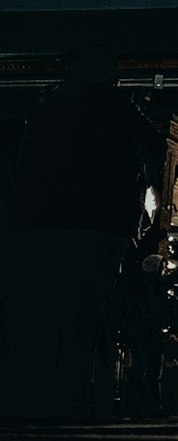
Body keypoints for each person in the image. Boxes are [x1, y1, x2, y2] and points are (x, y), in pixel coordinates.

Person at [0, 46, 163, 418]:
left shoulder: (49, 105)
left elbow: (23, 165)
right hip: (101, 224)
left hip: (44, 223)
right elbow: (155, 148)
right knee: (89, 311)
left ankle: (42, 390)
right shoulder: (118, 106)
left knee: (48, 308)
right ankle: (78, 390)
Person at [121, 249, 173, 417]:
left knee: (144, 368)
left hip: (145, 332)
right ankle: (145, 404)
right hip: (147, 333)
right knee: (147, 368)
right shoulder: (150, 287)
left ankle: (138, 403)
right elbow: (153, 308)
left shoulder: (146, 286)